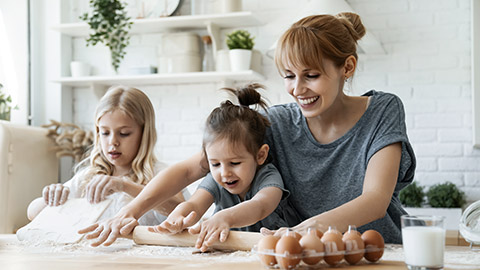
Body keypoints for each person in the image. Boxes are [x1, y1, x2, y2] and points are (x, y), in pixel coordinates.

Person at [80, 12, 415, 245]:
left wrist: (300, 230)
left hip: (379, 250)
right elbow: (193, 168)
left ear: (347, 67)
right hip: (307, 252)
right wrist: (130, 212)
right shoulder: (281, 121)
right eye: (288, 76)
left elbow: (374, 199)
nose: (298, 88)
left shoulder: (383, 110)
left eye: (311, 75)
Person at [148, 84, 296, 251]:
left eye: (235, 163)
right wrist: (178, 217)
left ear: (260, 155)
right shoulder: (215, 178)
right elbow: (195, 205)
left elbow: (260, 206)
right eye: (215, 164)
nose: (224, 173)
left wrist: (225, 217)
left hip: (272, 253)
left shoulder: (268, 177)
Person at [27, 85, 186, 226]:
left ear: (144, 134)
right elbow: (33, 213)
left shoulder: (160, 174)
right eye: (105, 133)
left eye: (124, 134)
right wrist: (51, 196)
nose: (113, 142)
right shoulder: (89, 177)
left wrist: (124, 186)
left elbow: (182, 212)